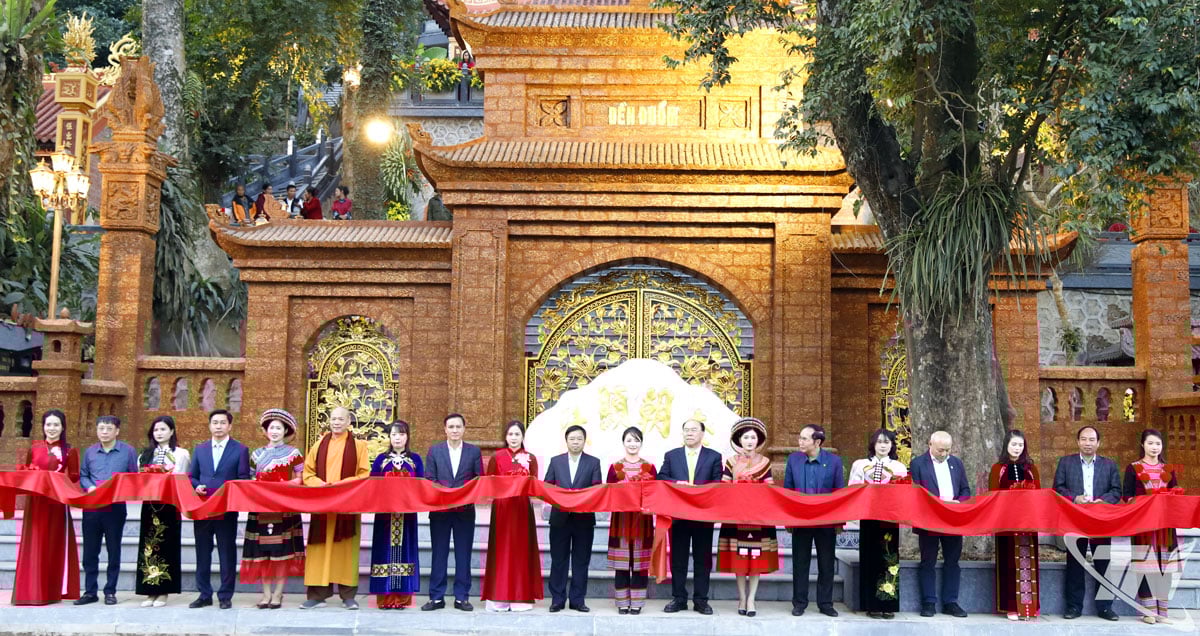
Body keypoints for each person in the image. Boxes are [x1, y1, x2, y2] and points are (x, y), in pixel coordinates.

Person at [300, 406, 371, 610]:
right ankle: (317, 595)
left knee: (346, 551)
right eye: (333, 419)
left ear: (349, 422)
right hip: (323, 506)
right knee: (319, 550)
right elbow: (308, 473)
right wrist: (320, 485)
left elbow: (364, 473)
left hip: (347, 505)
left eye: (341, 419)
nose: (337, 422)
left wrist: (340, 485)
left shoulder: (359, 446)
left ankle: (348, 595)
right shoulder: (319, 444)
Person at [1052, 425, 1121, 621]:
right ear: (1077, 442)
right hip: (1075, 519)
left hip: (1100, 520)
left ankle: (1105, 608)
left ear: (1098, 443)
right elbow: (1058, 488)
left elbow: (1116, 491)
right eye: (1083, 439)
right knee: (1075, 562)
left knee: (1103, 562)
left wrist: (1103, 501)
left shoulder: (1109, 465)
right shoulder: (1066, 462)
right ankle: (1073, 607)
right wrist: (1075, 498)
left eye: (1091, 440)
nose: (1087, 443)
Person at [12, 409, 80, 605]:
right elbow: (26, 473)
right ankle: (30, 591)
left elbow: (74, 476)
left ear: (63, 427)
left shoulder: (69, 450)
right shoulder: (34, 448)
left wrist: (56, 478)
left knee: (52, 544)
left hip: (56, 503)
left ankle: (50, 591)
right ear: (43, 427)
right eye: (48, 424)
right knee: (34, 542)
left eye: (56, 425)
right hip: (36, 502)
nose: (52, 428)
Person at [239, 409, 305, 609]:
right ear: (266, 431)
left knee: (281, 553)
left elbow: (300, 478)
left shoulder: (293, 454)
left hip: (284, 508)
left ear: (286, 431)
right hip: (261, 509)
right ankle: (266, 593)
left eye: (278, 428)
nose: (274, 431)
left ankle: (278, 593)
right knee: (262, 553)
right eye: (271, 428)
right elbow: (250, 479)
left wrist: (284, 485)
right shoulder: (257, 454)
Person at [657, 419, 722, 615]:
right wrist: (678, 483)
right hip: (679, 516)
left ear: (702, 433)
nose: (689, 433)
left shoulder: (714, 456)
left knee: (703, 559)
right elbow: (661, 477)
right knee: (678, 559)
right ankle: (679, 598)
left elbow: (718, 482)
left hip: (703, 516)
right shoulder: (672, 455)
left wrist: (699, 491)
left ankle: (701, 600)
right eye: (686, 430)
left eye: (694, 430)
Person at [188, 409, 251, 610]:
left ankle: (225, 595)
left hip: (226, 509)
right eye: (215, 422)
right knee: (202, 552)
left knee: (227, 551)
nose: (218, 426)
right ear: (209, 425)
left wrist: (229, 490)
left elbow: (244, 479)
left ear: (230, 426)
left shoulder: (240, 449)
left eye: (223, 423)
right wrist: (196, 486)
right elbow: (192, 476)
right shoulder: (200, 449)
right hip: (203, 508)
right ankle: (204, 594)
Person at [717, 417, 778, 618]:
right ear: (739, 440)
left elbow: (770, 489)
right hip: (736, 518)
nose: (750, 441)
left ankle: (752, 598)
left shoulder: (765, 462)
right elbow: (724, 488)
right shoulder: (731, 462)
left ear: (758, 440)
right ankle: (742, 597)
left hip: (758, 519)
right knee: (740, 559)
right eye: (746, 437)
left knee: (756, 559)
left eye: (753, 437)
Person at [422, 413, 484, 612]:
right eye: (451, 427)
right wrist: (447, 494)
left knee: (463, 554)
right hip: (440, 511)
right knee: (438, 553)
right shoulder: (435, 450)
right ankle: (436, 597)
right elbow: (430, 479)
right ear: (445, 429)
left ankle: (461, 597)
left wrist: (462, 495)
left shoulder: (473, 451)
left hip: (464, 512)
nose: (455, 430)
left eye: (458, 427)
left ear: (464, 429)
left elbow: (478, 479)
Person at [75, 415, 138, 606]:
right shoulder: (90, 452)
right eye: (101, 428)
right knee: (90, 552)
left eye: (109, 429)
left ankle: (110, 591)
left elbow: (133, 476)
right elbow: (83, 475)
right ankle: (90, 591)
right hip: (92, 507)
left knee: (113, 550)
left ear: (117, 431)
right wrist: (90, 487)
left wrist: (118, 489)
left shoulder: (128, 451)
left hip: (115, 508)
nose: (104, 432)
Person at [481, 421, 543, 612]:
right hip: (502, 508)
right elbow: (489, 482)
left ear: (523, 437)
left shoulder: (531, 458)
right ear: (505, 437)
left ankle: (520, 596)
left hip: (522, 509)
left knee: (521, 550)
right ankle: (499, 596)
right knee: (502, 550)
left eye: (517, 434)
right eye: (510, 434)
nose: (514, 438)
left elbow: (534, 485)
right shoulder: (497, 457)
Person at [783, 423, 844, 617]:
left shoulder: (834, 461)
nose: (800, 442)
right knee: (800, 563)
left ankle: (825, 603)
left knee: (826, 564)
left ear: (817, 442)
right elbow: (788, 490)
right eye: (800, 438)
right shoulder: (793, 460)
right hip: (801, 520)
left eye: (804, 438)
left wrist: (839, 522)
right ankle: (799, 603)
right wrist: (789, 519)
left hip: (826, 521)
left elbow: (839, 492)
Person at [910, 430, 972, 618]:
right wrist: (934, 504)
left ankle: (950, 602)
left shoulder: (956, 463)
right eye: (940, 450)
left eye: (947, 450)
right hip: (928, 519)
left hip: (952, 518)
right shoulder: (918, 463)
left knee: (952, 561)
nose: (944, 454)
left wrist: (958, 502)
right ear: (930, 445)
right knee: (928, 560)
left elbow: (965, 490)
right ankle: (928, 602)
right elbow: (915, 493)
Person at [847, 428, 907, 620]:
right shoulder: (860, 465)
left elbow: (903, 493)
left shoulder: (899, 467)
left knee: (889, 559)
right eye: (879, 442)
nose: (883, 445)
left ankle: (888, 604)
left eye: (887, 442)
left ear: (892, 445)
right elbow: (852, 489)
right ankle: (870, 604)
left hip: (889, 519)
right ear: (873, 444)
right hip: (868, 517)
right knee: (869, 557)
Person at [1123, 428, 1180, 625]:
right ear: (1142, 445)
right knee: (1145, 565)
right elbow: (1127, 495)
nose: (1154, 447)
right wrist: (1142, 503)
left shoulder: (1168, 469)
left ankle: (1162, 612)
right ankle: (1147, 611)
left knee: (1165, 567)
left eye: (1157, 444)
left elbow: (1175, 493)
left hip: (1165, 526)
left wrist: (1174, 494)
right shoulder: (1133, 468)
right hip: (1143, 525)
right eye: (1150, 443)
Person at [543, 424, 602, 613]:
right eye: (572, 439)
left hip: (583, 519)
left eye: (579, 439)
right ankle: (557, 599)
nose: (575, 442)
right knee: (558, 560)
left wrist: (579, 498)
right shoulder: (556, 461)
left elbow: (597, 489)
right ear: (566, 441)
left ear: (585, 441)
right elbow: (547, 486)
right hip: (560, 519)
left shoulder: (593, 462)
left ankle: (577, 600)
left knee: (581, 561)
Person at [135, 415, 190, 608]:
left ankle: (164, 591)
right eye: (156, 430)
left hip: (169, 504)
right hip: (149, 504)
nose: (159, 433)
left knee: (167, 546)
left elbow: (182, 479)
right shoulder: (144, 455)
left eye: (163, 429)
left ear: (172, 431)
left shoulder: (181, 454)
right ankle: (149, 591)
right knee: (148, 547)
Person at [369, 421, 424, 609]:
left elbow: (421, 485)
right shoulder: (381, 460)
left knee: (405, 551)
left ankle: (402, 598)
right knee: (384, 551)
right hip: (385, 515)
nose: (397, 438)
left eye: (401, 434)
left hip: (406, 515)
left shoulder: (415, 460)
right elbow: (373, 485)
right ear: (389, 437)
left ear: (407, 436)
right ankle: (385, 597)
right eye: (393, 434)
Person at [988, 429, 1040, 620]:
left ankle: (1029, 607)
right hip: (1006, 523)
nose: (1017, 448)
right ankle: (1010, 606)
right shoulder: (998, 468)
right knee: (1008, 563)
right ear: (1006, 446)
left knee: (1028, 562)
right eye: (1014, 444)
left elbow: (1038, 494)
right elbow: (993, 495)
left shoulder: (1031, 468)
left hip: (1028, 523)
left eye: (1020, 445)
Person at [606, 426, 656, 615]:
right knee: (621, 565)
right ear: (623, 443)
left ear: (641, 443)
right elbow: (608, 493)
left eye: (636, 440)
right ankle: (622, 603)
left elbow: (655, 494)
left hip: (643, 522)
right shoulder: (615, 467)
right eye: (629, 440)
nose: (632, 444)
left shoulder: (649, 467)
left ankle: (637, 603)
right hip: (620, 522)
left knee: (640, 566)